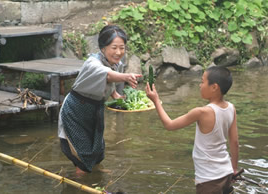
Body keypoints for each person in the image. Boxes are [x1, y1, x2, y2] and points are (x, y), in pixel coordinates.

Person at [58, 25, 142, 175]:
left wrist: (115, 95)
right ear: (103, 48)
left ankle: (95, 173)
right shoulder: (93, 63)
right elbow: (107, 75)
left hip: (94, 110)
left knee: (97, 149)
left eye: (122, 48)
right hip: (75, 112)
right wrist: (126, 77)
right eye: (114, 47)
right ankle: (81, 181)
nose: (118, 52)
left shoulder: (117, 63)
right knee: (80, 153)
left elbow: (109, 83)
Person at [145, 66, 239, 194]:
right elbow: (235, 142)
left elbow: (169, 125)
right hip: (226, 172)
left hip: (209, 179)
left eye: (202, 81)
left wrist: (156, 100)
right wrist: (233, 169)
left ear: (214, 87)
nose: (200, 85)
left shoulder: (202, 112)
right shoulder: (231, 108)